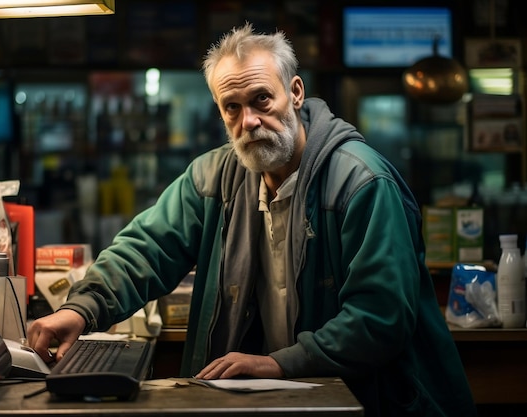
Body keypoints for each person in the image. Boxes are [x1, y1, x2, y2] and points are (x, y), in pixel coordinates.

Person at [28, 23, 476, 417]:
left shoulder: (361, 182)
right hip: (278, 398)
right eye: (232, 107)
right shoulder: (215, 176)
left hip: (374, 401)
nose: (250, 121)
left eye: (262, 99)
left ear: (295, 93)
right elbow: (146, 249)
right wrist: (79, 309)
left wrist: (279, 363)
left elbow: (380, 318)